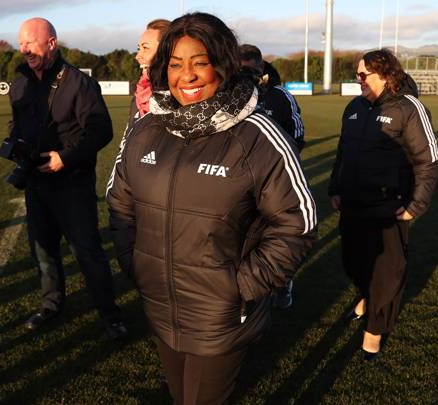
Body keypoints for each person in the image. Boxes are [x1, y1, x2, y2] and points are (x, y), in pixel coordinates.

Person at [107, 12, 316, 404]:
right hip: (160, 305)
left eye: (199, 63)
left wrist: (239, 288)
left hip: (219, 317)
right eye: (175, 64)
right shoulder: (146, 128)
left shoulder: (257, 136)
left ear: (222, 64)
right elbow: (120, 200)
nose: (186, 76)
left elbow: (297, 224)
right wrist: (135, 263)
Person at [6, 17, 126, 339]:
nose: (24, 49)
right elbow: (16, 125)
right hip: (36, 183)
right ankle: (51, 305)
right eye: (21, 43)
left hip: (72, 184)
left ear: (51, 43)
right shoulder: (20, 84)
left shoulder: (78, 83)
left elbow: (102, 130)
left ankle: (110, 316)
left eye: (31, 42)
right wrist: (14, 146)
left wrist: (65, 157)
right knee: (42, 250)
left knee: (87, 252)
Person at [328, 49, 438, 361]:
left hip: (387, 208)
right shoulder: (353, 107)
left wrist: (416, 205)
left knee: (386, 274)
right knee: (354, 263)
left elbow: (428, 163)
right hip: (351, 205)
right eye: (357, 74)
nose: (358, 80)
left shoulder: (409, 108)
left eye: (364, 75)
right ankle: (365, 296)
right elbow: (343, 153)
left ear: (387, 74)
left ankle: (373, 332)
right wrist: (335, 187)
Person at [239, 43, 306, 310]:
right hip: (240, 181)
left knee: (279, 234)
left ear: (261, 67)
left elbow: (298, 134)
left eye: (249, 70)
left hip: (276, 181)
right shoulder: (232, 94)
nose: (245, 76)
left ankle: (284, 281)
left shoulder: (280, 96)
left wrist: (279, 164)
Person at [129, 18, 171, 127]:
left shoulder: (179, 100)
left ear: (167, 51)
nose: (138, 56)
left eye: (145, 48)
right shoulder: (139, 96)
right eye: (139, 48)